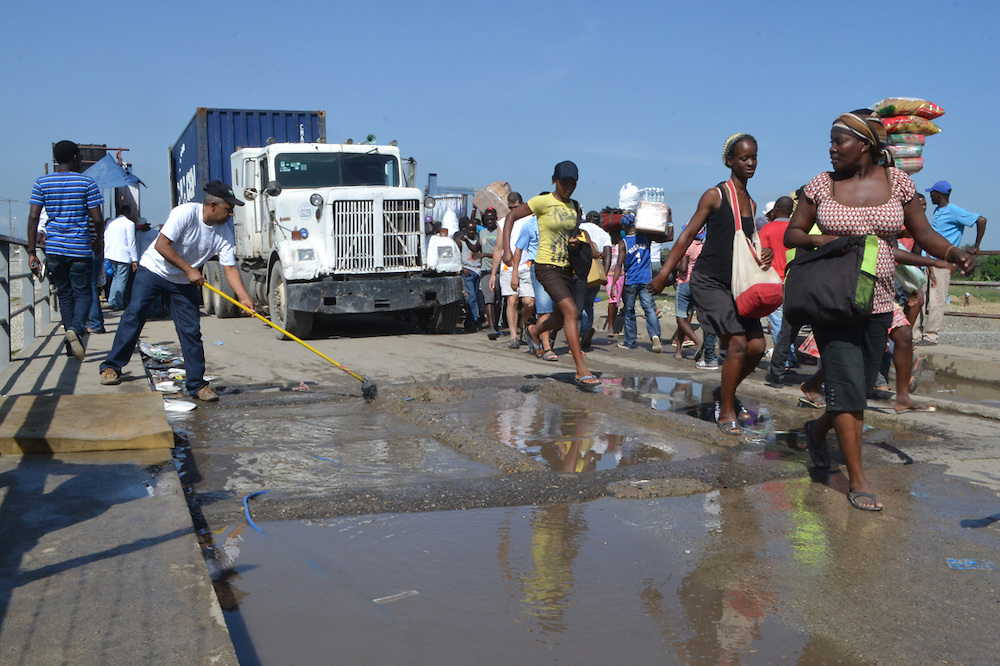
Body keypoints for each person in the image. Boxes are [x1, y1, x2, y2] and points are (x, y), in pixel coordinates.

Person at [784, 111, 974, 511]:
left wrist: (953, 252)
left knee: (860, 384)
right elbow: (793, 233)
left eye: (840, 142)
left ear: (866, 145)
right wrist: (831, 241)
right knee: (849, 389)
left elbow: (923, 233)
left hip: (880, 302)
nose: (832, 149)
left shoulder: (899, 183)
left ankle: (817, 433)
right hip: (833, 301)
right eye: (831, 142)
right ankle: (857, 478)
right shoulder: (820, 185)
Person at [650, 134, 770, 435]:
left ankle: (725, 393)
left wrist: (763, 253)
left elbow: (746, 245)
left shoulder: (752, 203)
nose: (751, 163)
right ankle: (726, 410)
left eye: (754, 157)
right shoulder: (715, 195)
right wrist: (664, 273)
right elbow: (687, 234)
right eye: (744, 158)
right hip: (709, 281)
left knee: (757, 346)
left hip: (737, 284)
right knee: (738, 344)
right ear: (730, 160)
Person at [99, 181, 255, 402]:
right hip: (153, 271)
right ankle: (111, 367)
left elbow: (229, 267)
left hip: (182, 282)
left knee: (191, 331)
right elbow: (161, 245)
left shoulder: (224, 232)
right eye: (228, 209)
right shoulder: (185, 213)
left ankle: (197, 385)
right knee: (134, 316)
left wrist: (244, 297)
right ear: (212, 205)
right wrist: (190, 269)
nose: (231, 214)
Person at [502, 161, 600, 390]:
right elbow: (510, 218)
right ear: (554, 180)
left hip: (567, 268)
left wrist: (575, 243)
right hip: (545, 267)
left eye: (572, 183)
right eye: (564, 182)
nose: (568, 187)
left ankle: (534, 330)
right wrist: (507, 249)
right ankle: (580, 369)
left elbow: (572, 235)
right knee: (572, 312)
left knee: (557, 319)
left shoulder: (575, 207)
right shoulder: (542, 201)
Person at [26, 140, 104, 361]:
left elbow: (33, 218)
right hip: (79, 248)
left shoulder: (42, 183)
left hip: (55, 249)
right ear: (76, 157)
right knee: (84, 293)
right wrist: (99, 239)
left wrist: (32, 251)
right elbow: (97, 218)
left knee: (66, 295)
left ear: (55, 159)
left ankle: (71, 346)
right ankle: (77, 329)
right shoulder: (86, 182)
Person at [915, 180, 987, 345]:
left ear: (938, 194)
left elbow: (981, 220)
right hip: (929, 261)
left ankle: (931, 336)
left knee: (936, 299)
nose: (930, 195)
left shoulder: (953, 211)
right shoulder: (938, 211)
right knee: (921, 298)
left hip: (942, 262)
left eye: (932, 193)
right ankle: (916, 334)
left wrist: (976, 247)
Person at [760, 196, 799, 387]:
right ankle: (789, 357)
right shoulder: (798, 229)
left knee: (777, 324)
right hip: (794, 281)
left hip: (774, 280)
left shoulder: (767, 229)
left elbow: (761, 254)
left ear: (775, 209)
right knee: (788, 323)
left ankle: (786, 360)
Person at [491, 192, 535, 349]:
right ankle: (514, 336)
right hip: (507, 267)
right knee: (511, 300)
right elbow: (498, 248)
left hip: (526, 265)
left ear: (522, 204)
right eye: (510, 208)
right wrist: (493, 273)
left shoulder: (530, 220)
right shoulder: (503, 222)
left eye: (516, 207)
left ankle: (523, 326)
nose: (513, 210)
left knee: (529, 302)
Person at [612, 213, 662, 352]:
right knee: (649, 308)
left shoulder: (624, 243)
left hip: (631, 281)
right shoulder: (646, 237)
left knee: (629, 311)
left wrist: (614, 284)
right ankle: (655, 335)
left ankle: (629, 341)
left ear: (623, 226)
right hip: (646, 278)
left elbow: (619, 264)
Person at [578, 211, 612, 348]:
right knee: (589, 303)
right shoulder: (604, 234)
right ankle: (585, 330)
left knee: (577, 304)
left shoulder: (581, 228)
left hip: (580, 271)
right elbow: (608, 254)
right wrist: (604, 273)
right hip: (595, 274)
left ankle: (580, 332)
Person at [104, 203, 139, 310]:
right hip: (123, 255)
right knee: (121, 280)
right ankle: (118, 303)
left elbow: (105, 236)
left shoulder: (110, 222)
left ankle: (111, 300)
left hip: (111, 254)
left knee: (116, 278)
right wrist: (135, 259)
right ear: (128, 213)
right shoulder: (129, 224)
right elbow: (131, 242)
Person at [453, 216, 482, 332]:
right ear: (465, 229)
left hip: (478, 270)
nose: (471, 232)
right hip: (468, 271)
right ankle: (471, 322)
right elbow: (457, 255)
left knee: (476, 295)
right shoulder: (461, 241)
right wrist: (462, 268)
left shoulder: (478, 239)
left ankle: (472, 320)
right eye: (469, 230)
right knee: (471, 297)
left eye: (473, 230)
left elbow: (478, 250)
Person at [478, 207, 501, 338]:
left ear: (496, 219)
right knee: (489, 298)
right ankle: (491, 327)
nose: (490, 222)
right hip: (485, 271)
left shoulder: (500, 233)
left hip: (498, 271)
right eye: (488, 219)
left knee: (497, 299)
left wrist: (485, 254)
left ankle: (496, 324)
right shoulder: (482, 233)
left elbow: (501, 254)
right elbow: (477, 246)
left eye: (492, 219)